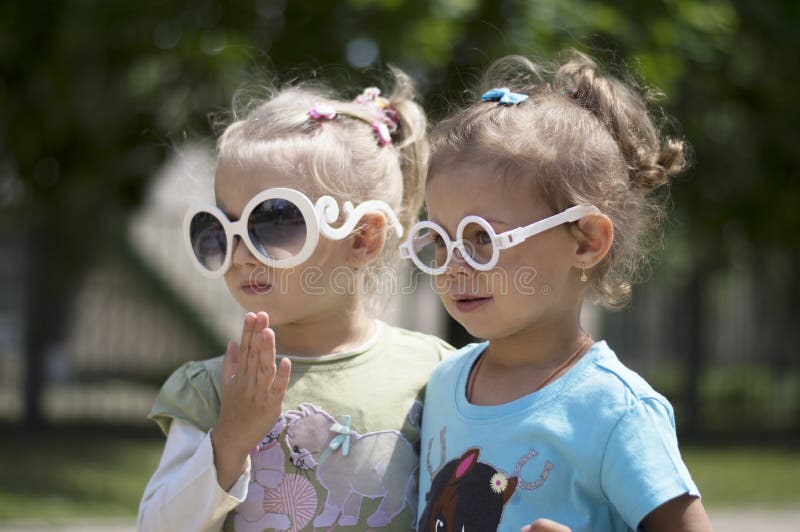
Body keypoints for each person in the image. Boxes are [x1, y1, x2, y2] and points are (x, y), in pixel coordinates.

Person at [401, 52, 714, 531]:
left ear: (586, 241)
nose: (455, 264)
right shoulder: (443, 383)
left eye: (482, 237)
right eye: (440, 241)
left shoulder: (614, 411)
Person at [138, 69, 453, 531]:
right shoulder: (213, 389)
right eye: (218, 229)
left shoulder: (437, 376)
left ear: (363, 239)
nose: (240, 254)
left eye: (274, 221)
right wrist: (230, 440)